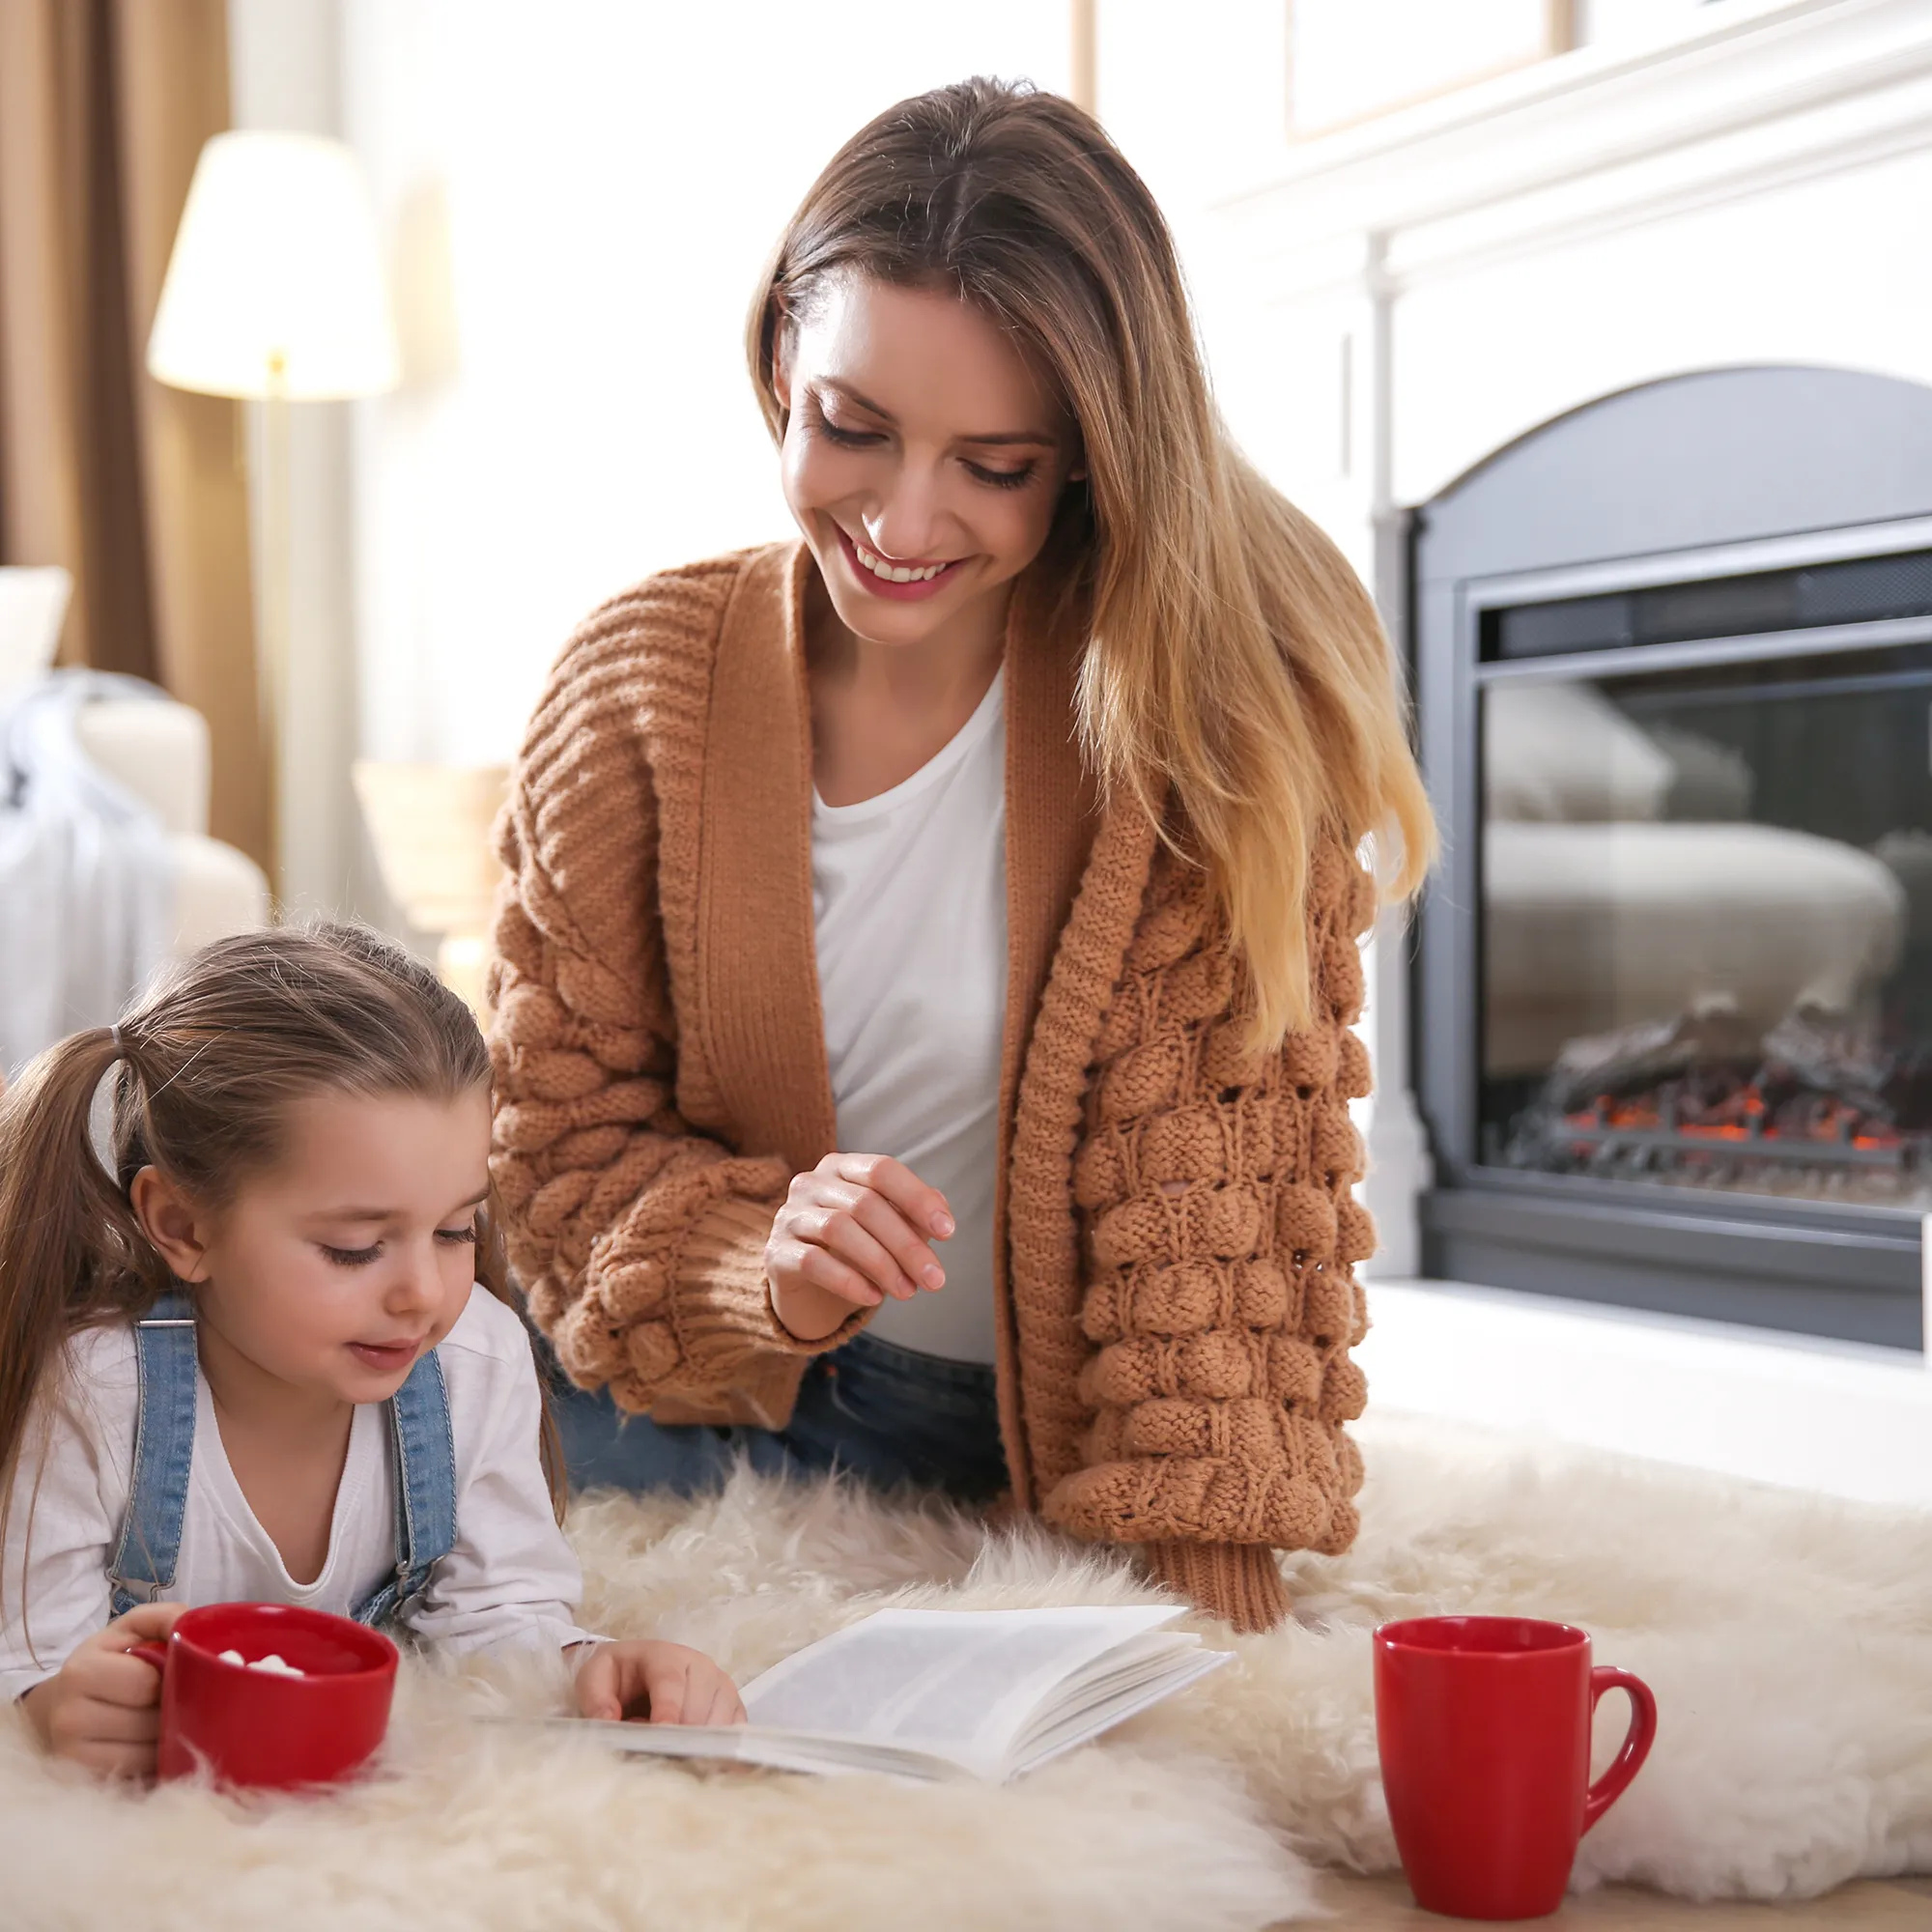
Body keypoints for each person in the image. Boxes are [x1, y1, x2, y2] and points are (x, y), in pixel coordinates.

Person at [490, 78, 1435, 1634]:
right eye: (853, 428)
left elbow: (1223, 1215)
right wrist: (762, 1267)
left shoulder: (1204, 712)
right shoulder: (634, 688)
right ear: (783, 356)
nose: (905, 519)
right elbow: (555, 1156)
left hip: (1008, 1435)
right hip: (662, 1403)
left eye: (992, 464)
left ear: (1085, 451)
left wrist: (1204, 1615)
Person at [0, 925, 743, 1778]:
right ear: (181, 1224)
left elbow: (499, 1619)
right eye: (355, 1249)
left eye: (456, 1229)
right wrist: (54, 1704)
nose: (423, 1293)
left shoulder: (475, 1362)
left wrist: (589, 1665)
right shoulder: (95, 1388)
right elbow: (28, 1653)